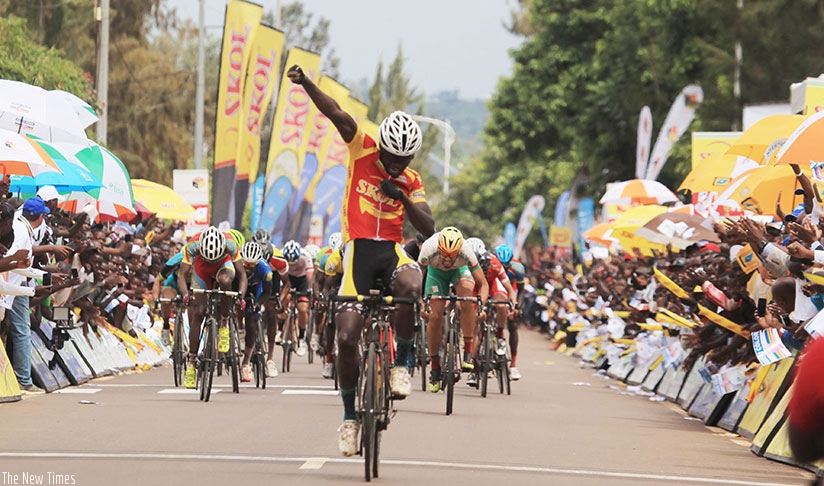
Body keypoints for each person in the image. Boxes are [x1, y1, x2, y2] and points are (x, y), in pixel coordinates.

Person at [287, 64, 435, 457]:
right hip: (357, 251)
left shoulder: (412, 179)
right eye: (391, 156)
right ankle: (351, 417)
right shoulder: (362, 146)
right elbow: (335, 112)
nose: (396, 164)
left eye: (404, 159)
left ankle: (403, 361)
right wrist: (306, 84)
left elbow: (428, 224)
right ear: (381, 145)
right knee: (347, 337)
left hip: (389, 250)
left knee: (410, 284)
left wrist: (401, 193)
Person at [418, 227, 488, 392]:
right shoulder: (428, 248)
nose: (448, 260)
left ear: (459, 251)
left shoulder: (466, 251)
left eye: (452, 256)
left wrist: (480, 307)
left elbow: (483, 284)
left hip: (460, 272)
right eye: (444, 255)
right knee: (434, 317)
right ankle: (435, 367)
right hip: (436, 275)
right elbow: (415, 282)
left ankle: (468, 350)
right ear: (438, 249)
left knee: (467, 295)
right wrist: (421, 303)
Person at [177, 226, 247, 389]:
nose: (211, 259)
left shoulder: (230, 243)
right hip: (201, 270)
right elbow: (182, 275)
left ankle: (223, 323)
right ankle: (192, 363)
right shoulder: (192, 245)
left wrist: (241, 296)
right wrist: (186, 294)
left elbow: (242, 274)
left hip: (224, 267)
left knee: (225, 281)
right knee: (199, 312)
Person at [4, 197, 51, 394]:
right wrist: (31, 288)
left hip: (12, 286)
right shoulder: (22, 232)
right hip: (11, 287)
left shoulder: (19, 226)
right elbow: (11, 262)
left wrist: (44, 275)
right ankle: (23, 379)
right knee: (22, 331)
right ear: (40, 217)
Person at [238, 241, 273, 382]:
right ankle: (239, 329)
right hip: (238, 285)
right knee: (236, 305)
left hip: (255, 290)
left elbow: (267, 292)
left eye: (251, 265)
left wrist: (257, 304)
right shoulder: (236, 265)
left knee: (252, 321)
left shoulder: (265, 271)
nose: (247, 267)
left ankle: (246, 363)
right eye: (245, 264)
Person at [495, 244, 526, 380]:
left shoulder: (518, 268)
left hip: (510, 290)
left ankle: (513, 365)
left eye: (506, 266)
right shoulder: (489, 265)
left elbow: (521, 289)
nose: (504, 268)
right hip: (493, 287)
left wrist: (517, 306)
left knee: (513, 325)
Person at [282, 240, 313, 357]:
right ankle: (281, 328)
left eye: (294, 263)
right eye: (290, 264)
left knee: (303, 309)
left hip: (302, 280)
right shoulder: (282, 256)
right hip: (288, 278)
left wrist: (308, 290)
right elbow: (282, 279)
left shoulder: (305, 256)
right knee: (284, 299)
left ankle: (301, 338)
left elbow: (310, 277)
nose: (292, 266)